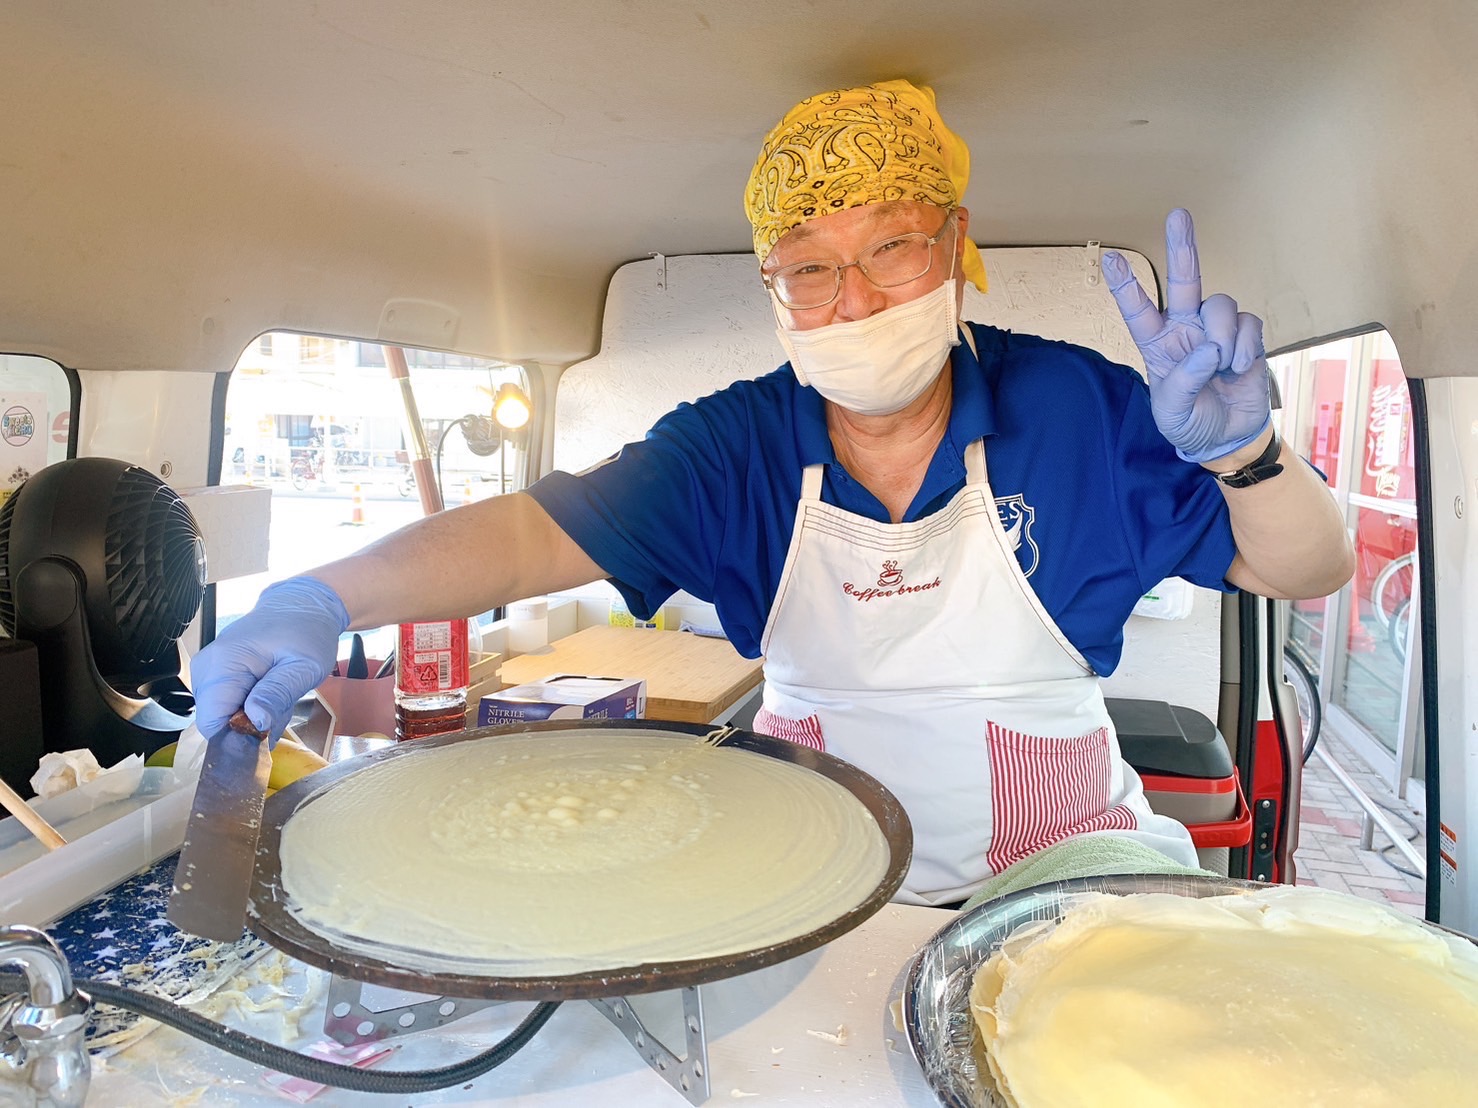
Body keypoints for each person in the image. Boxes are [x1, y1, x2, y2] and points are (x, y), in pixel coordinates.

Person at [192, 79, 1354, 907]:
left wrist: (1242, 455)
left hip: (1064, 870)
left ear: (953, 245)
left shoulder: (1082, 408)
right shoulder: (732, 444)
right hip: (809, 865)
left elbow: (1306, 568)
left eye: (890, 249)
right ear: (774, 288)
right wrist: (316, 594)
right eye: (810, 267)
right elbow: (522, 534)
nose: (851, 299)